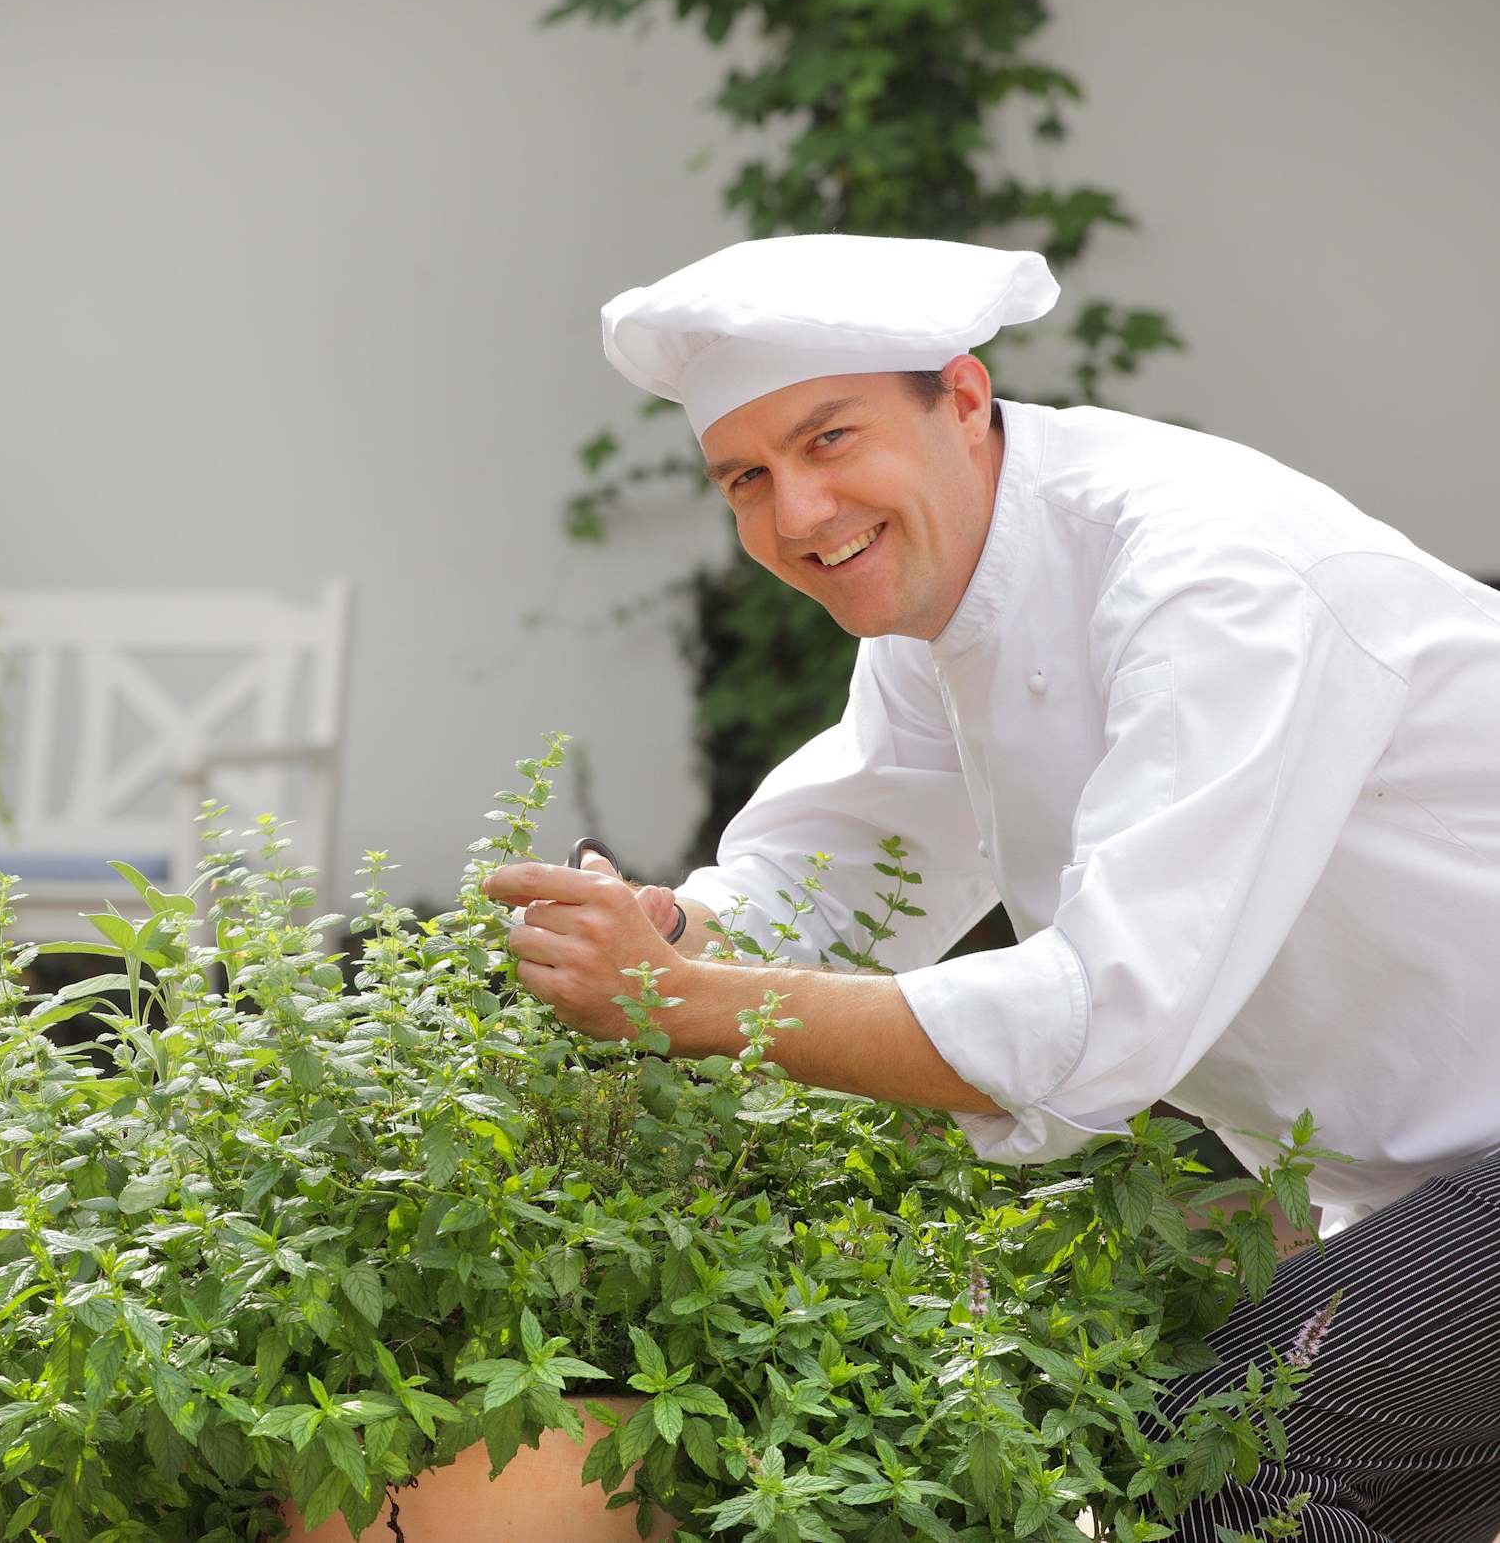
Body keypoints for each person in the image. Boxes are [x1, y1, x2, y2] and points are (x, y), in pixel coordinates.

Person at [483, 233, 1500, 1540]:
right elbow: (839, 879)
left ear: (961, 398)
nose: (798, 514)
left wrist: (683, 1002)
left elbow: (1101, 1019)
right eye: (748, 477)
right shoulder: (948, 595)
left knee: (1201, 1452)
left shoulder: (1209, 580)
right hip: (1424, 1179)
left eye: (829, 439)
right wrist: (673, 929)